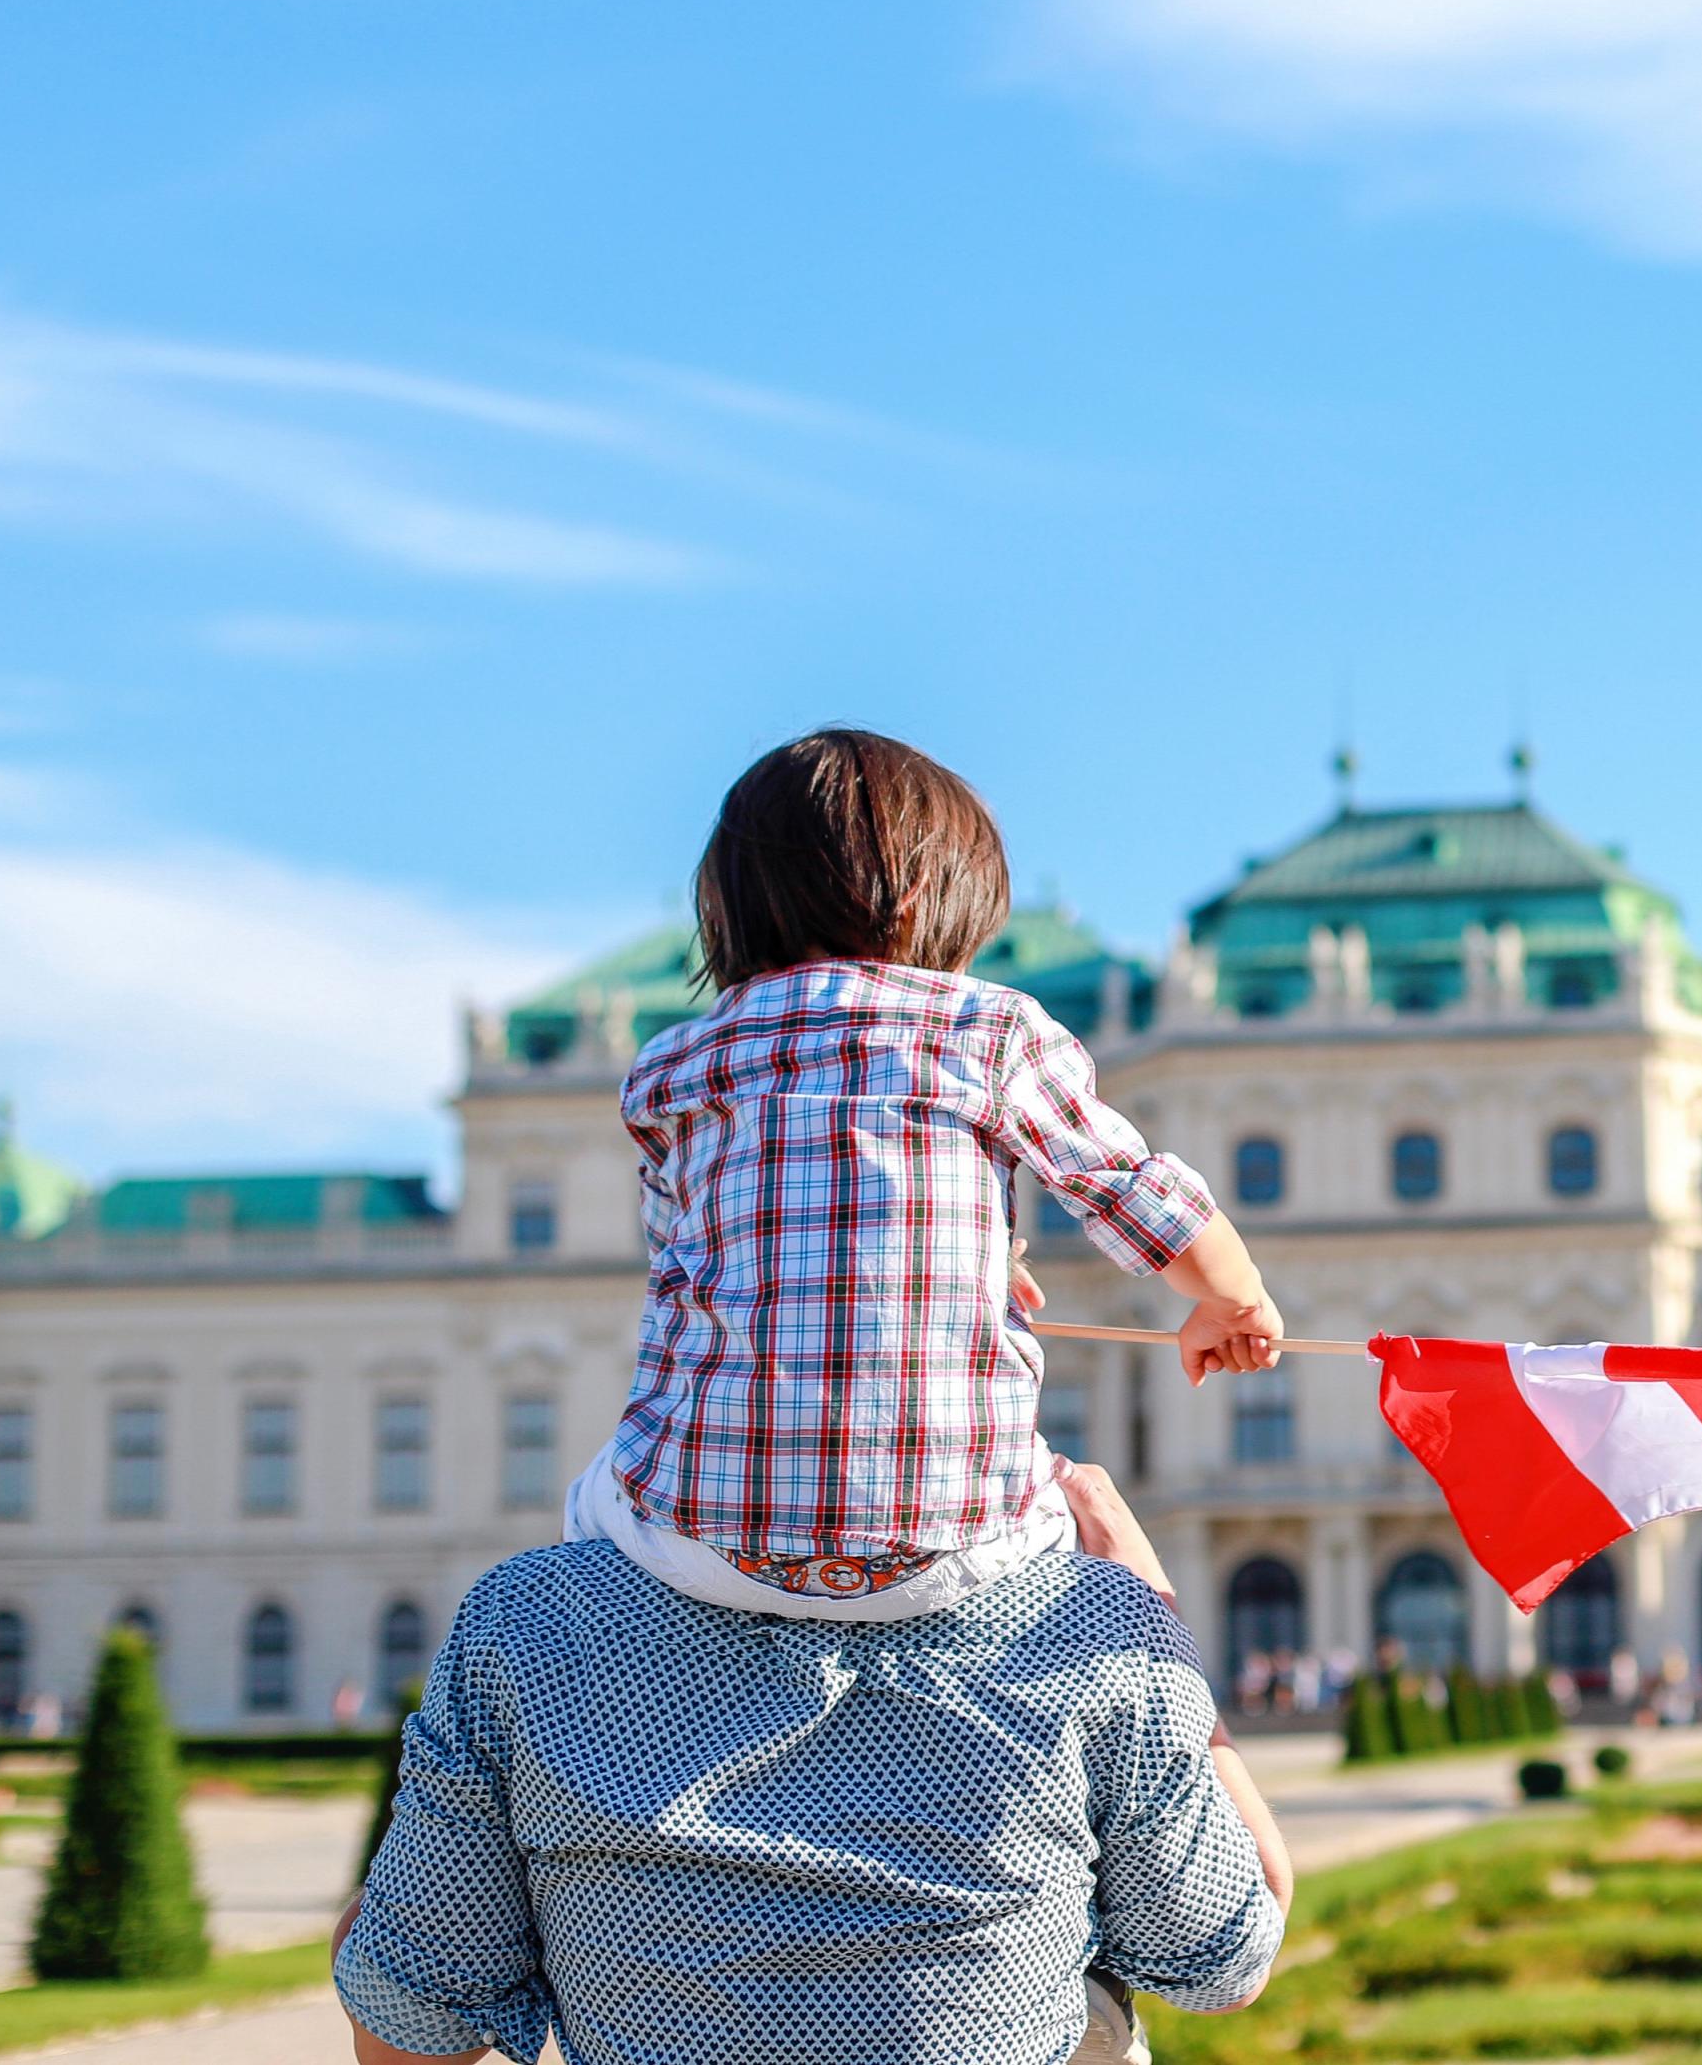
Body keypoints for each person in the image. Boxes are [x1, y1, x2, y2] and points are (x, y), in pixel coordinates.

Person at [565, 730, 1288, 1617]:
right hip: (958, 1539)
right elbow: (1127, 1186)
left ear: (727, 911)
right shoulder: (990, 1031)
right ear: (930, 899)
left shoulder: (674, 1067)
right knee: (1088, 1527)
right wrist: (1235, 1297)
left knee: (590, 1503)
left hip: (705, 1536)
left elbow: (681, 1267)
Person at [334, 1463, 1287, 2065]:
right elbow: (1227, 1957)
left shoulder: (531, 1622)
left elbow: (409, 2033)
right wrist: (1154, 1618)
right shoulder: (1092, 1622)